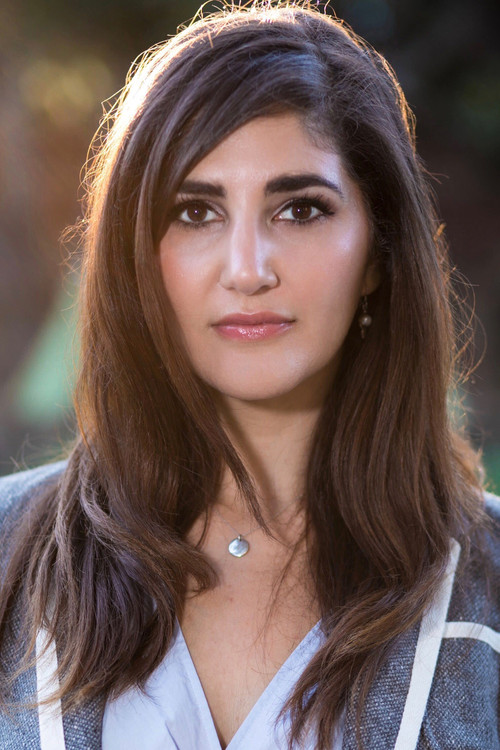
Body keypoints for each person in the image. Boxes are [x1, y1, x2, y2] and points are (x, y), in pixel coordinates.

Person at [0, 2, 499, 749]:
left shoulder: (488, 582)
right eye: (195, 213)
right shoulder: (9, 551)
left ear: (378, 252)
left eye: (300, 210)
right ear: (137, 256)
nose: (246, 269)